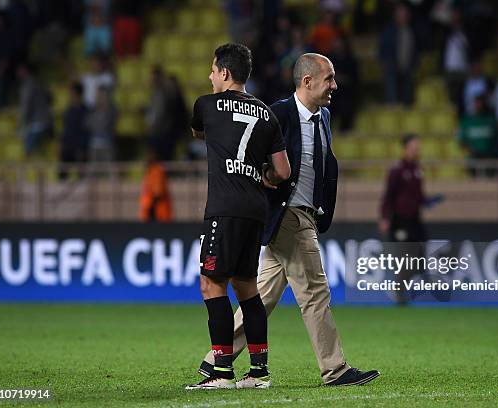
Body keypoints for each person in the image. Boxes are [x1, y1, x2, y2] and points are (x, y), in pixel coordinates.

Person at [198, 53, 380, 387]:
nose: (334, 86)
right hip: (287, 213)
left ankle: (215, 361)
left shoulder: (323, 117)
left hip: (306, 213)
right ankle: (335, 369)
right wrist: (265, 176)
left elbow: (323, 165)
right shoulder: (277, 113)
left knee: (261, 294)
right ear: (307, 81)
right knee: (314, 292)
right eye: (329, 79)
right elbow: (250, 154)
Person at [186, 44, 291, 390]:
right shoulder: (267, 114)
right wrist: (263, 177)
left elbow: (199, 132)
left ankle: (221, 373)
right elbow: (282, 170)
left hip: (224, 208)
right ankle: (259, 373)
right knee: (247, 288)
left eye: (213, 70)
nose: (210, 76)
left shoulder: (206, 105)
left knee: (211, 284)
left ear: (225, 74)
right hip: (255, 209)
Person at [379, 134, 442, 304]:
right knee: (405, 258)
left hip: (415, 220)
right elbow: (388, 196)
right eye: (414, 147)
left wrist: (429, 201)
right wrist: (385, 218)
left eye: (418, 148)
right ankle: (399, 293)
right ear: (405, 149)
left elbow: (418, 197)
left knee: (420, 260)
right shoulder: (397, 170)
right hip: (400, 220)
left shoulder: (417, 170)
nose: (416, 151)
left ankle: (398, 288)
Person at [378, 2, 418, 106]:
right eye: (401, 14)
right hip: (392, 68)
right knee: (392, 97)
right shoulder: (388, 30)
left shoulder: (411, 30)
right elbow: (382, 49)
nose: (403, 16)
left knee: (407, 97)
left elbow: (414, 50)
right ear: (395, 15)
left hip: (407, 68)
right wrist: (386, 63)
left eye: (405, 14)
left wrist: (414, 64)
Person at [457, 94, 498, 177]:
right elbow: (461, 141)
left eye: (481, 103)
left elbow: (497, 141)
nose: (479, 105)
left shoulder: (491, 121)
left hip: (490, 158)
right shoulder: (467, 121)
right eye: (477, 103)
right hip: (473, 158)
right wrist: (472, 150)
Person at [16, 64, 53, 156]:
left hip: (38, 121)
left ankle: (28, 160)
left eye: (20, 71)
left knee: (26, 143)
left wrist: (21, 124)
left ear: (25, 71)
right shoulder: (42, 82)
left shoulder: (28, 85)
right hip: (46, 120)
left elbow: (26, 106)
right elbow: (50, 99)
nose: (18, 73)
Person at [59, 82, 90, 180]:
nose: (70, 95)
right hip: (67, 146)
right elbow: (66, 128)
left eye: (71, 92)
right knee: (62, 174)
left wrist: (82, 147)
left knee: (82, 175)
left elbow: (86, 130)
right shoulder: (69, 110)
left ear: (77, 94)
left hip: (80, 148)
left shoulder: (85, 111)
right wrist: (62, 143)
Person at [139, 148, 173, 222]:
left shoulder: (157, 170)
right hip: (152, 208)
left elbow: (158, 191)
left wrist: (150, 205)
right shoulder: (152, 170)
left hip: (157, 211)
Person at [86, 85, 117, 162]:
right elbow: (87, 124)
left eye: (102, 95)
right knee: (92, 168)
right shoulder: (92, 110)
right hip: (94, 143)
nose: (100, 97)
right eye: (98, 95)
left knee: (109, 167)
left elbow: (111, 124)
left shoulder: (111, 110)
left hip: (107, 143)